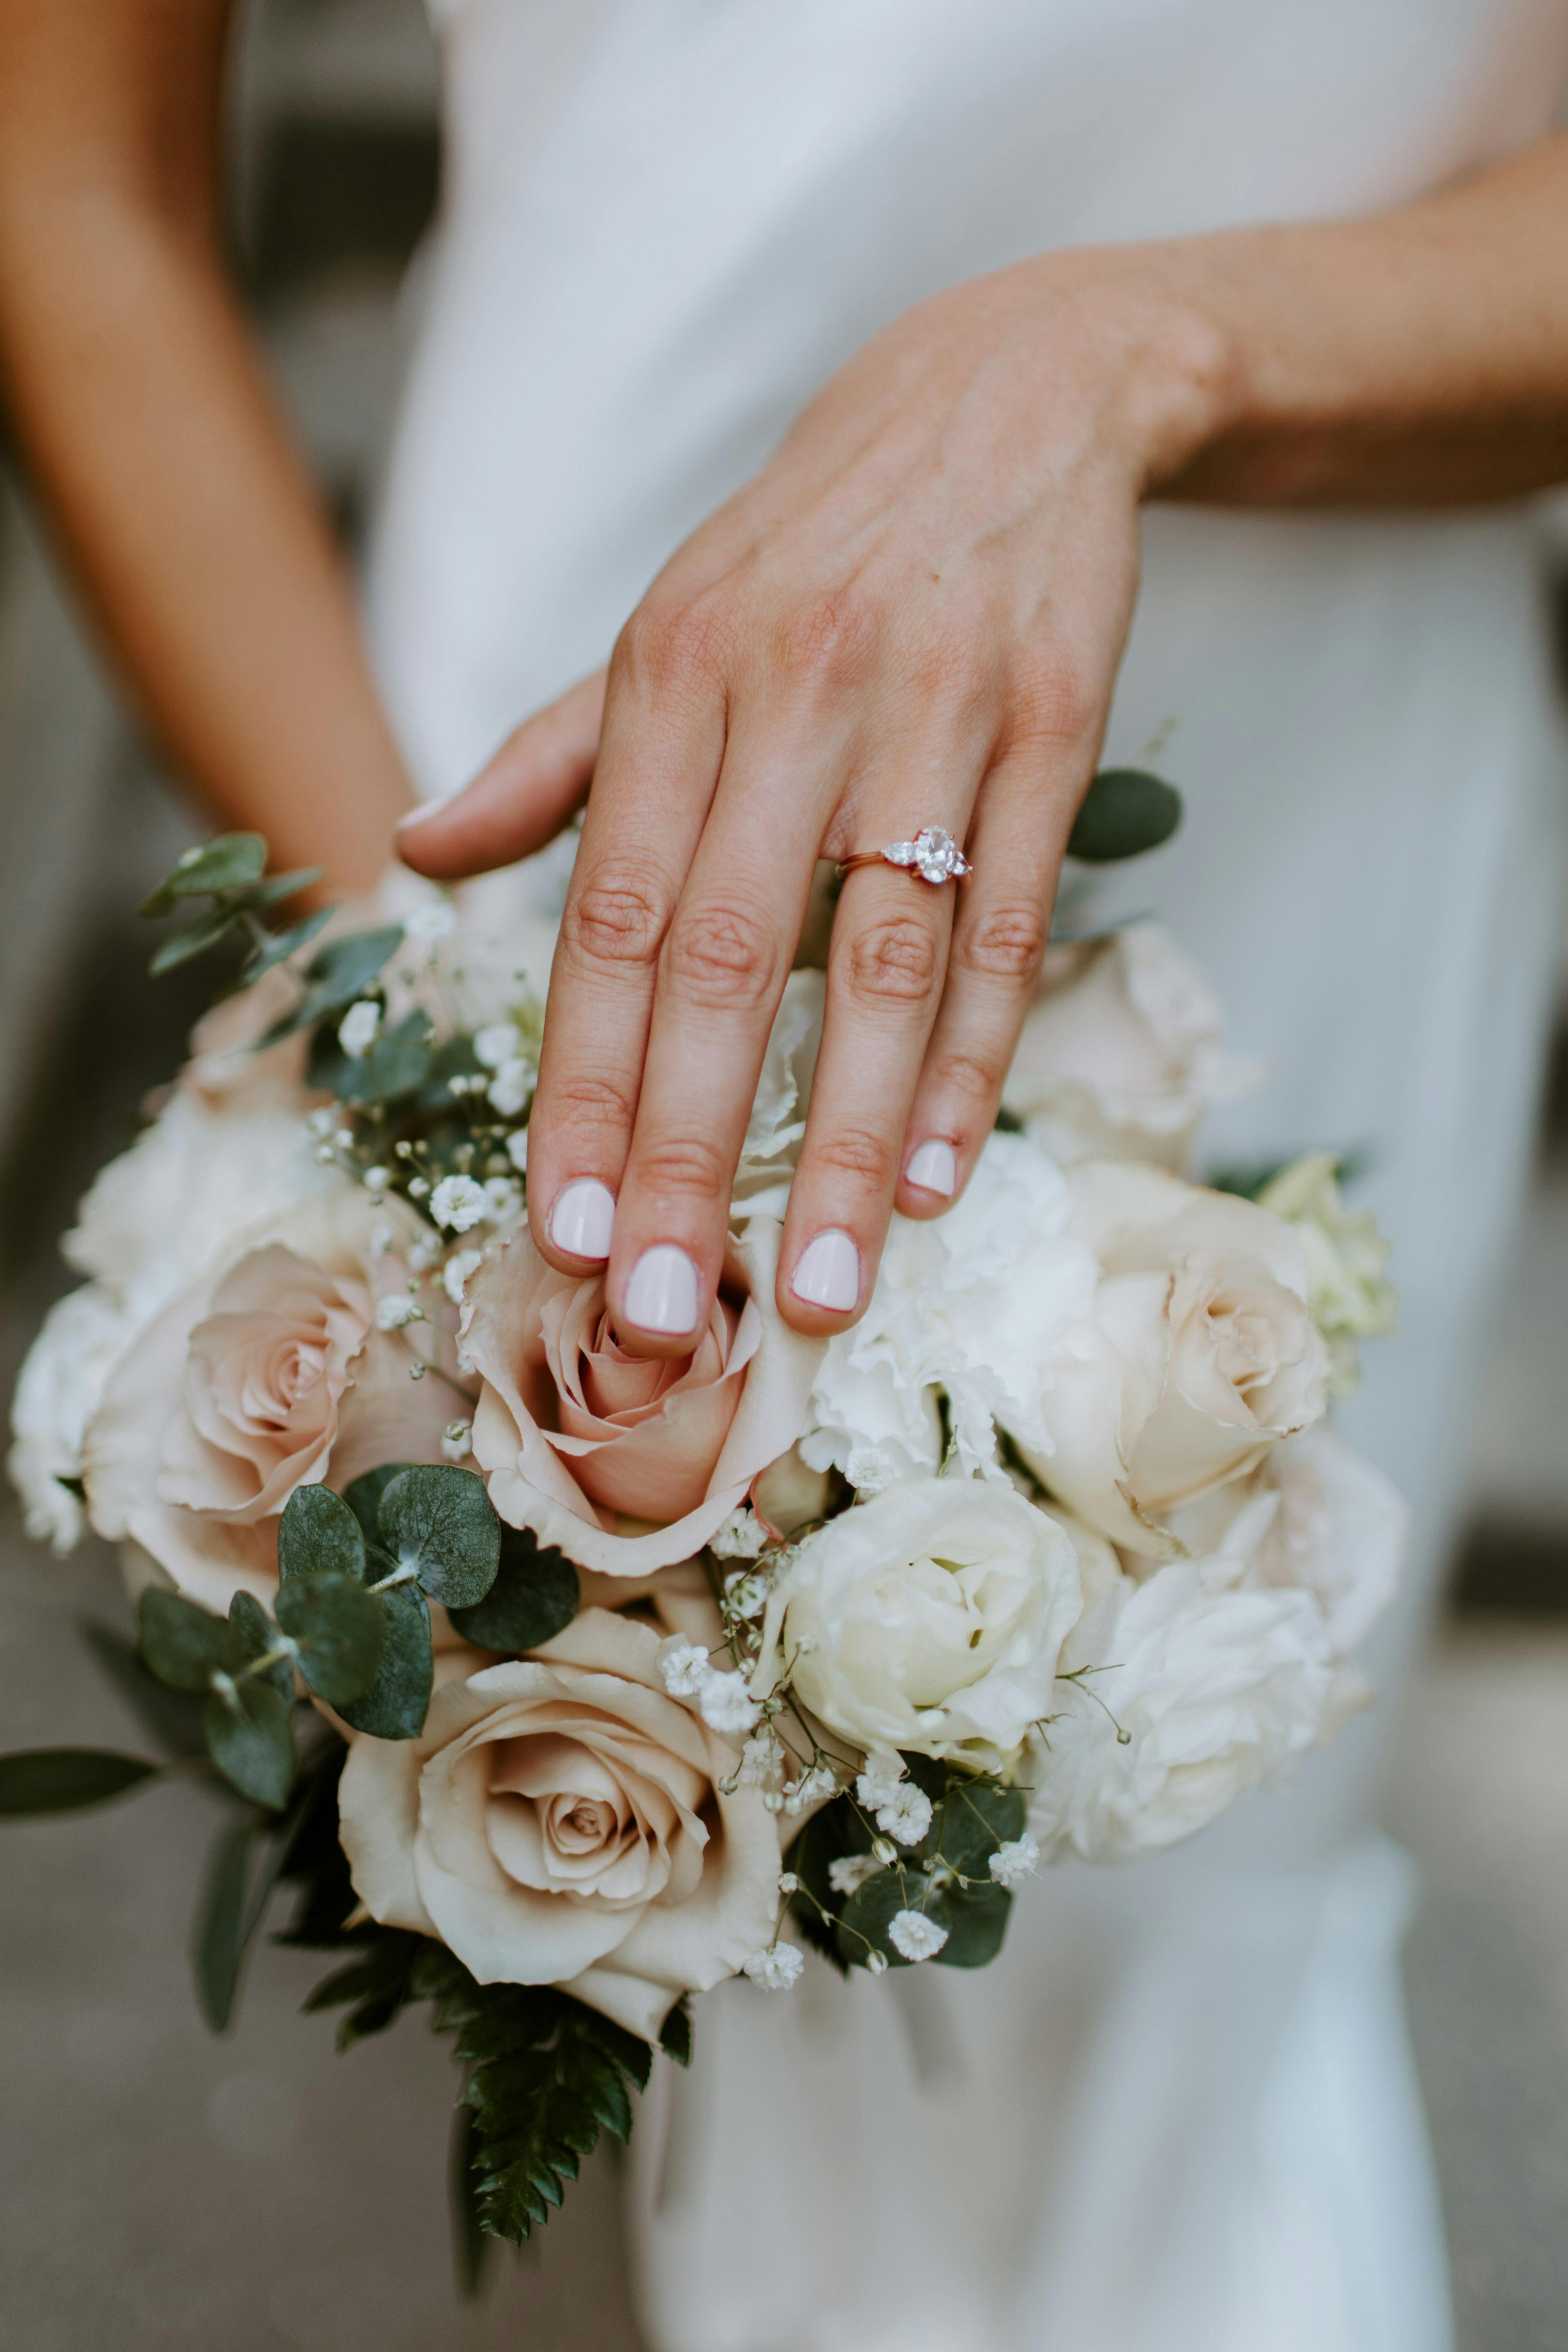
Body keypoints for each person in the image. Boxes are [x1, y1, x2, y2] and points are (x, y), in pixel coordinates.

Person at [3, 3, 1567, 2345]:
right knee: (626, 2000)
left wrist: (1121, 355)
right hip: (554, 759)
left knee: (1165, 1934)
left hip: (1304, 774)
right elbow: (75, 181)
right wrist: (428, 1007)